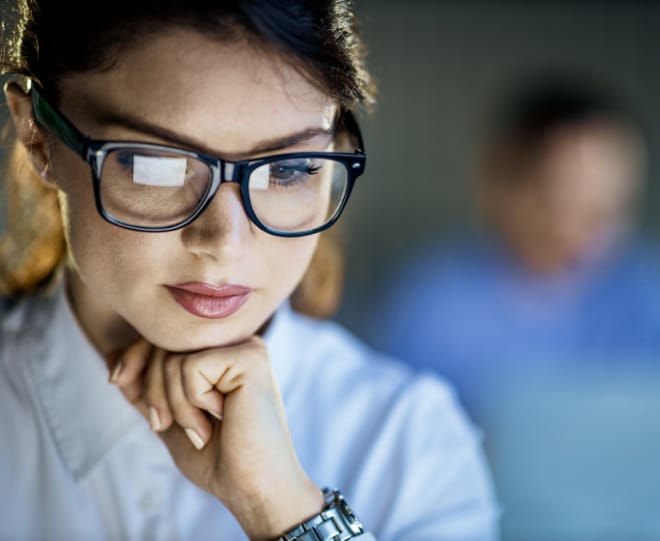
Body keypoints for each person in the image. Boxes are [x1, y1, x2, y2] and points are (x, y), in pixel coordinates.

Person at [0, 1, 498, 540]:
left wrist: (283, 511)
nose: (225, 243)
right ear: (36, 133)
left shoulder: (406, 440)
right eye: (155, 164)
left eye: (288, 169)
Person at [365, 76, 660, 538]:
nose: (589, 235)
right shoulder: (435, 301)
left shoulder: (644, 291)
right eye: (565, 206)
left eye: (607, 212)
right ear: (498, 182)